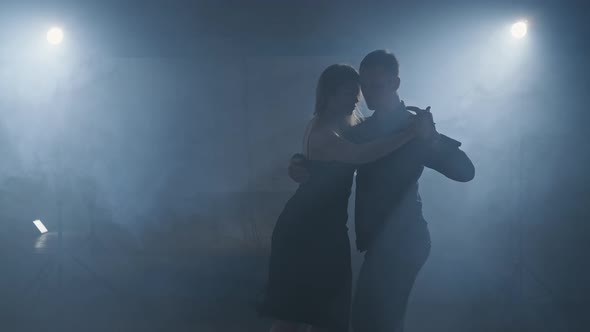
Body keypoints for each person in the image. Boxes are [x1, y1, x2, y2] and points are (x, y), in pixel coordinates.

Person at [288, 50, 475, 332]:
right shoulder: (365, 129)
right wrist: (299, 162)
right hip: (380, 241)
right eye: (364, 86)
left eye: (377, 86)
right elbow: (327, 151)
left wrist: (432, 139)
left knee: (376, 322)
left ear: (395, 84)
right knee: (372, 321)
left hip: (405, 240)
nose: (368, 93)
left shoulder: (414, 126)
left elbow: (465, 171)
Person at [258, 64, 434, 332]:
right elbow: (362, 154)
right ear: (329, 95)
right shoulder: (323, 132)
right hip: (306, 230)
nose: (355, 99)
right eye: (347, 93)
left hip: (326, 230)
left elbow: (360, 143)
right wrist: (410, 133)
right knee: (295, 315)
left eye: (356, 93)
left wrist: (299, 162)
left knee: (322, 314)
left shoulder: (342, 126)